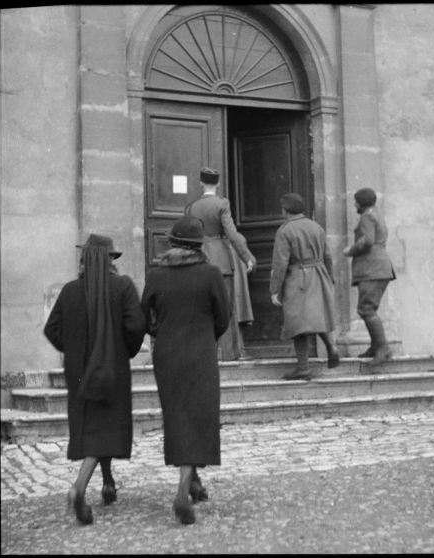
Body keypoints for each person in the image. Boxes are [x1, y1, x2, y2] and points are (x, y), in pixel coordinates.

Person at [43, 234, 146, 525]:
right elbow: (136, 326)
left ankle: (108, 482)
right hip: (112, 369)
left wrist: (74, 349)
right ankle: (79, 487)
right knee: (105, 430)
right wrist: (124, 350)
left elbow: (52, 329)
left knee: (93, 426)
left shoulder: (70, 290)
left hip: (78, 372)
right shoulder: (123, 286)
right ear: (109, 259)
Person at [141, 215, 230, 525]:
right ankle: (182, 491)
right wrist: (205, 336)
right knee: (200, 417)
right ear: (199, 245)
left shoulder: (156, 274)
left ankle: (193, 482)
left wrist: (160, 332)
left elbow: (143, 315)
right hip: (200, 353)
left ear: (172, 243)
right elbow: (223, 317)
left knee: (178, 417)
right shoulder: (211, 274)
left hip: (167, 355)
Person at [186, 166, 256, 360]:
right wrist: (246, 257)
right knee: (226, 308)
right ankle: (228, 353)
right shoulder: (222, 204)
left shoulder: (191, 207)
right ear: (217, 183)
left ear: (201, 183)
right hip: (221, 261)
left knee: (202, 308)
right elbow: (232, 234)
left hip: (198, 260)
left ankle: (205, 353)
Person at [270, 193, 340, 380]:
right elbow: (327, 256)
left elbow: (280, 263)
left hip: (298, 278)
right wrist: (330, 278)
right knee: (317, 316)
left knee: (298, 323)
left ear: (286, 210)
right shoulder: (317, 227)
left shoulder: (285, 230)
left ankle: (303, 368)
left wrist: (275, 289)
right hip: (319, 274)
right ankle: (331, 347)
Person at [343, 187, 396, 363]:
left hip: (371, 268)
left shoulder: (366, 216)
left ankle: (383, 347)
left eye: (356, 201)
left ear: (361, 203)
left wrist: (351, 250)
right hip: (380, 267)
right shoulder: (377, 214)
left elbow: (367, 240)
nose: (354, 205)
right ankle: (376, 346)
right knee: (368, 308)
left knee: (366, 309)